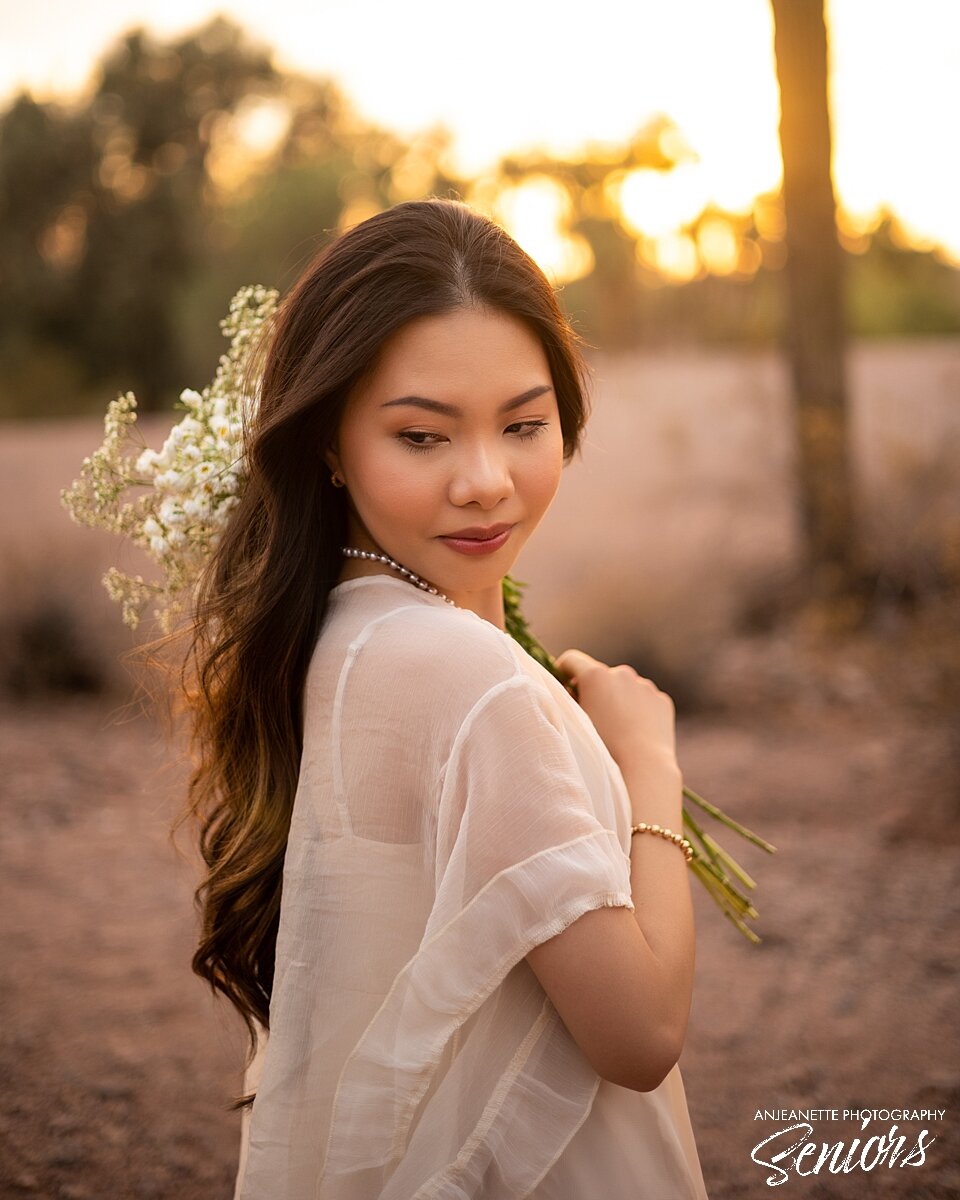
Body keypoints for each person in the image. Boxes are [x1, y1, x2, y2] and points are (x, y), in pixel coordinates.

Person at [182, 196, 708, 1198]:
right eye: (422, 438)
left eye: (524, 425)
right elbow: (640, 1034)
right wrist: (650, 768)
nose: (486, 482)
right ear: (330, 444)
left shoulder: (334, 631)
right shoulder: (464, 678)